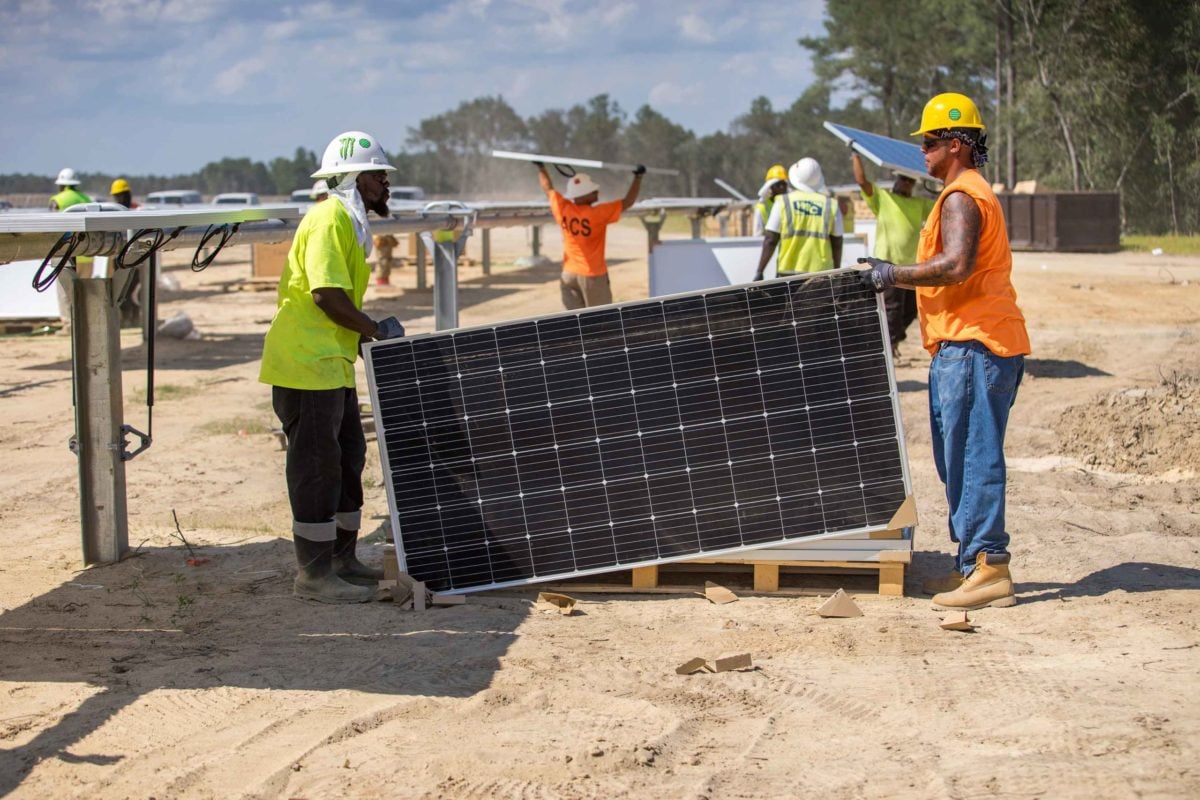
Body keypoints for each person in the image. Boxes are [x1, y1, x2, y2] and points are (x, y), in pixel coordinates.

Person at [857, 92, 1030, 610]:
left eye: (929, 143)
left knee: (974, 457)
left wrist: (890, 274)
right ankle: (969, 564)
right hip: (963, 344)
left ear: (956, 144)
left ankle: (988, 566)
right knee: (956, 458)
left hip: (977, 343)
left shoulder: (961, 197)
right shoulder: (961, 192)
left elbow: (955, 264)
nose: (923, 154)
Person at [259, 130, 408, 603]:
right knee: (316, 467)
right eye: (378, 175)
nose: (385, 184)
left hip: (330, 363)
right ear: (354, 178)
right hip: (306, 364)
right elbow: (325, 295)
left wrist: (362, 333)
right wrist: (372, 328)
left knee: (347, 459)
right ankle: (315, 574)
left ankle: (342, 559)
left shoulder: (349, 222)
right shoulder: (328, 219)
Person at [850, 151, 935, 356]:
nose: (904, 183)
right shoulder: (883, 198)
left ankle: (893, 341)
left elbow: (942, 207)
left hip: (911, 265)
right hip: (886, 263)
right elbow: (862, 181)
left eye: (909, 180)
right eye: (902, 179)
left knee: (911, 310)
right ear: (896, 180)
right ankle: (888, 347)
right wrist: (855, 155)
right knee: (892, 308)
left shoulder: (919, 204)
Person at [534, 162, 644, 309]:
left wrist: (541, 168)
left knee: (576, 323)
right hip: (593, 276)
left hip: (568, 274)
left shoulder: (563, 208)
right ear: (584, 195)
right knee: (600, 321)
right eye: (593, 191)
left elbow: (548, 189)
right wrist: (638, 177)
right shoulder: (598, 214)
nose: (597, 191)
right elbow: (628, 202)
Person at [753, 157, 843, 280]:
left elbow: (770, 240)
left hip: (788, 274)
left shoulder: (783, 202)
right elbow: (837, 243)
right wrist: (837, 270)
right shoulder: (831, 204)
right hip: (822, 275)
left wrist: (760, 271)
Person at [752, 164, 789, 236]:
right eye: (778, 185)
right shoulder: (762, 208)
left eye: (783, 184)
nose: (782, 187)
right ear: (771, 187)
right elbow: (757, 235)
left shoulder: (791, 205)